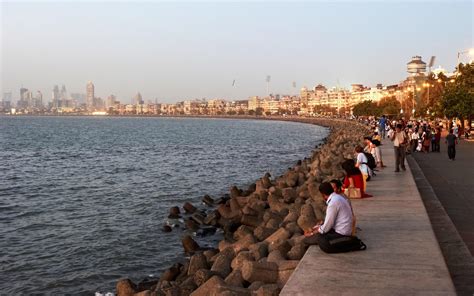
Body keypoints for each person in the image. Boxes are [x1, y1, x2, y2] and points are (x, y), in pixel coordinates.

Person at [302, 182, 366, 253]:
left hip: (342, 233)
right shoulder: (337, 198)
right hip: (340, 229)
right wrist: (317, 228)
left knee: (322, 241)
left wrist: (314, 232)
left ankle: (351, 243)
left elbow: (327, 226)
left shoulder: (333, 203)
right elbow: (328, 224)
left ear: (323, 195)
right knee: (317, 235)